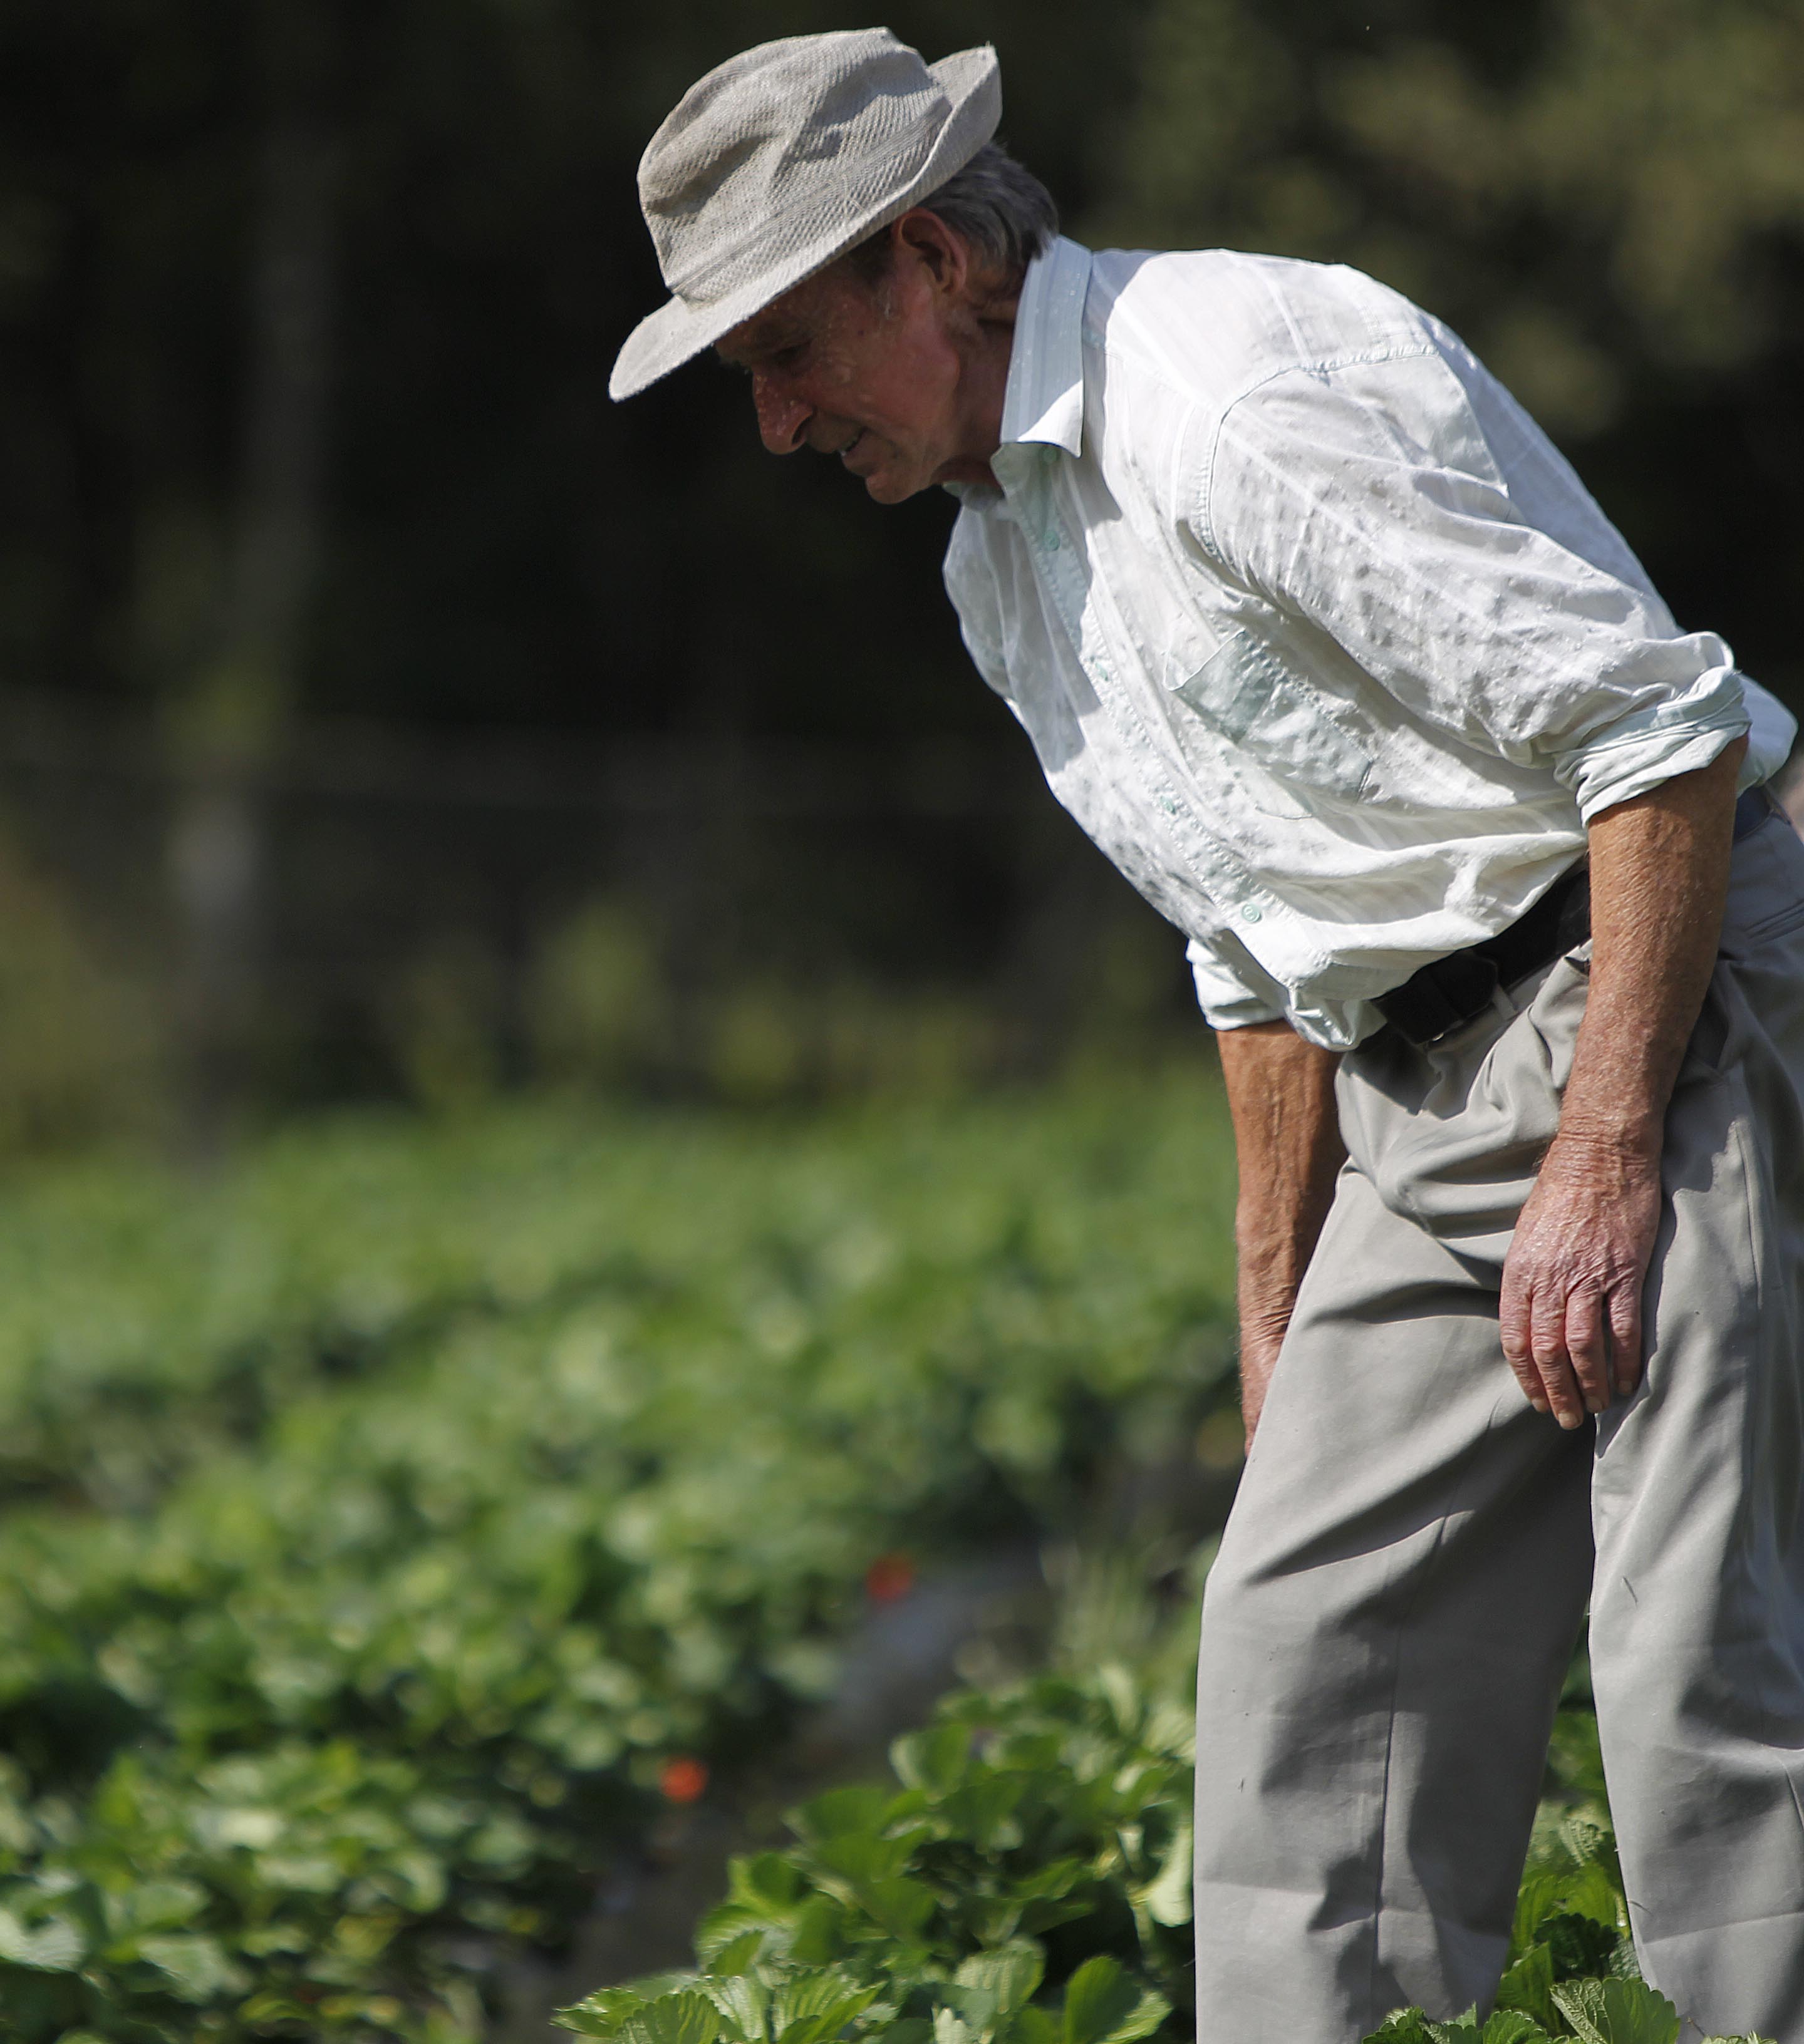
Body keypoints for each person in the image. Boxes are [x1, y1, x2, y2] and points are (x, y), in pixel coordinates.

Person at [609, 28, 1804, 2044]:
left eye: (788, 354)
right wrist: (1280, 1317)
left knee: (1693, 1670)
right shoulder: (1003, 552)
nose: (777, 424)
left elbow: (1657, 742)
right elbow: (1251, 945)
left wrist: (1604, 1156)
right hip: (1421, 1069)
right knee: (1303, 1642)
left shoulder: (1224, 398)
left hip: (1660, 991)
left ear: (932, 261)